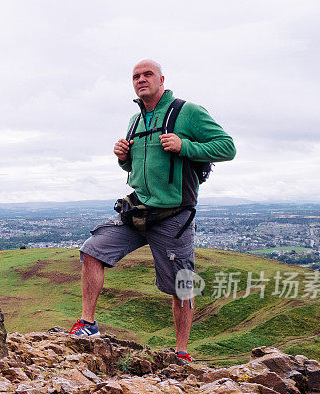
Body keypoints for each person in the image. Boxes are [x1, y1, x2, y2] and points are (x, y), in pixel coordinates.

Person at [69, 60, 236, 362]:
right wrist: (123, 158)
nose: (141, 79)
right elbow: (136, 167)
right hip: (138, 209)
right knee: (92, 250)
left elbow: (227, 147)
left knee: (182, 284)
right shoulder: (136, 119)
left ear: (162, 79)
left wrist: (185, 145)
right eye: (136, 76)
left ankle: (181, 352)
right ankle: (88, 324)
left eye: (147, 75)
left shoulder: (188, 112)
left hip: (175, 215)